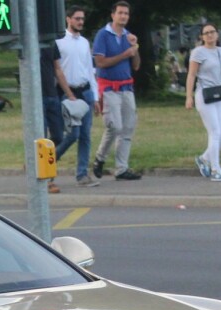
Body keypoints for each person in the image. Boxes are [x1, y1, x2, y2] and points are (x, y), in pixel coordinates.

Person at [91, 1, 143, 181]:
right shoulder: (103, 35)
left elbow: (136, 65)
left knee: (128, 128)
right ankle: (100, 158)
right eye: (120, 13)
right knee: (114, 126)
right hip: (109, 87)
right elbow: (100, 63)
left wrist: (135, 49)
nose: (123, 17)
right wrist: (125, 54)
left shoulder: (128, 36)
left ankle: (121, 168)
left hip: (126, 87)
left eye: (126, 14)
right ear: (113, 15)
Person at [56, 6, 99, 187]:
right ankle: (47, 163)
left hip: (85, 91)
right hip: (68, 93)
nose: (80, 22)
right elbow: (57, 70)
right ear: (68, 19)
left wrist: (95, 97)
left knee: (85, 136)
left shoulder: (84, 43)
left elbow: (90, 70)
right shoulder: (59, 42)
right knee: (72, 134)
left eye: (82, 19)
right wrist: (68, 93)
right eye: (77, 18)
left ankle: (82, 174)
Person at [186, 24, 221, 182]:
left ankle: (204, 158)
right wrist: (189, 96)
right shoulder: (198, 52)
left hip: (220, 94)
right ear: (202, 37)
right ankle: (215, 169)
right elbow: (191, 75)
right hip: (205, 95)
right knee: (215, 132)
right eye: (206, 33)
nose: (210, 35)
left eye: (212, 32)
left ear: (217, 34)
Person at [40, 44, 75, 194]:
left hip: (52, 95)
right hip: (36, 96)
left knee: (58, 137)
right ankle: (48, 180)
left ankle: (34, 162)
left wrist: (69, 94)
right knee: (41, 140)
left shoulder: (50, 41)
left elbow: (57, 69)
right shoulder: (26, 38)